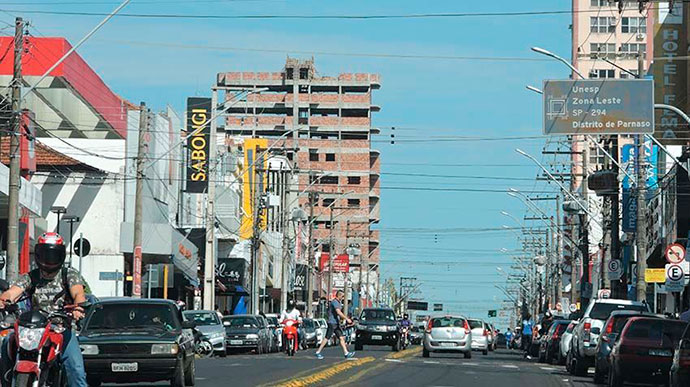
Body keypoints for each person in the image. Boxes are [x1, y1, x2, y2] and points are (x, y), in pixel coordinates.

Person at [0, 232, 87, 387]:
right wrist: (3, 300)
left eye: (53, 254)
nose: (49, 259)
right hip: (33, 329)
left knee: (76, 370)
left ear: (61, 255)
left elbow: (78, 293)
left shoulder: (68, 274)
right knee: (7, 340)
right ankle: (6, 381)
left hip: (61, 329)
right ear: (39, 254)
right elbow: (13, 291)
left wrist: (78, 307)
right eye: (45, 254)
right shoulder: (31, 276)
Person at [315, 290, 354, 359]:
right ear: (339, 295)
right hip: (332, 323)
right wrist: (346, 319)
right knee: (327, 337)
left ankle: (346, 353)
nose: (343, 298)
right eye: (342, 296)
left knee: (341, 337)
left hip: (336, 323)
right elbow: (338, 312)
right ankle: (318, 351)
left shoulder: (338, 302)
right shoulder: (335, 302)